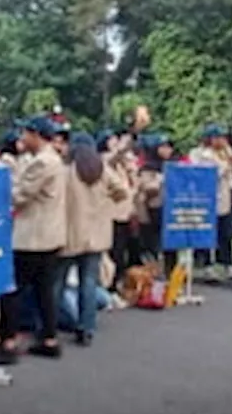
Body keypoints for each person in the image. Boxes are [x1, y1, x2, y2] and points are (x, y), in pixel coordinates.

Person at [0, 116, 69, 361]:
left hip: (32, 238)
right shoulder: (53, 159)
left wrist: (5, 177)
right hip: (49, 237)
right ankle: (49, 339)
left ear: (36, 135)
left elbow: (19, 196)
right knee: (44, 292)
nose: (21, 138)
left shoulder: (42, 162)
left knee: (12, 290)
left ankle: (8, 340)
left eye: (25, 133)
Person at [58, 132, 128, 345]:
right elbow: (122, 191)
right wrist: (106, 201)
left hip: (70, 234)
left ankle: (50, 327)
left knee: (57, 283)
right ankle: (86, 327)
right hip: (97, 234)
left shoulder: (66, 171)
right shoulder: (102, 170)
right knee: (88, 282)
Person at [189, 125, 232, 279]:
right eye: (218, 138)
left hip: (225, 197)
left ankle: (227, 263)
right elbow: (209, 174)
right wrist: (227, 164)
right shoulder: (201, 154)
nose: (222, 141)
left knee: (226, 233)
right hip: (207, 198)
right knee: (207, 233)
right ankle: (206, 265)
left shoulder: (227, 153)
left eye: (224, 138)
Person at [100, 130, 138, 286]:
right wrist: (123, 147)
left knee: (125, 249)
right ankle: (112, 284)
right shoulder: (104, 159)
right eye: (112, 139)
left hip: (127, 212)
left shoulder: (125, 163)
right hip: (112, 213)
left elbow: (133, 185)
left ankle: (121, 281)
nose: (115, 141)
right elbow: (114, 156)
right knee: (115, 250)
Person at [135, 133, 177, 275]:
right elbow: (146, 188)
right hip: (153, 209)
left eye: (169, 147)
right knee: (153, 245)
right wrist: (160, 180)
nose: (167, 151)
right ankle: (155, 273)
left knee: (171, 245)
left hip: (172, 208)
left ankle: (171, 273)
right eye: (163, 147)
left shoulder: (174, 164)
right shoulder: (149, 167)